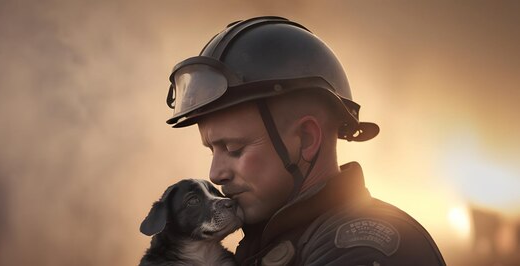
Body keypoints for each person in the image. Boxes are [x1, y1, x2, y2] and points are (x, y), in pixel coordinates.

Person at [164, 16, 446, 266]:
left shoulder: (363, 250)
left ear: (307, 139)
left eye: (234, 149)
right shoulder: (275, 243)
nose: (216, 174)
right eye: (212, 150)